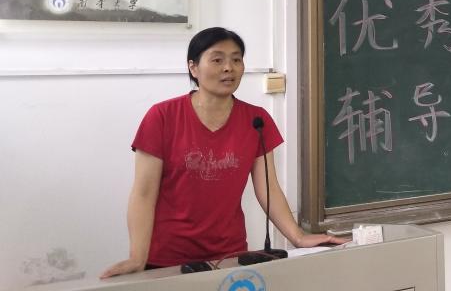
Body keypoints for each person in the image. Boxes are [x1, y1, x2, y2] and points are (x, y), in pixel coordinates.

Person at [101, 27, 345, 277]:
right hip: (167, 260)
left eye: (236, 60)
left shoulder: (256, 119)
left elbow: (268, 188)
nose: (229, 68)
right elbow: (143, 193)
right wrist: (137, 257)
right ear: (193, 67)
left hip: (230, 256)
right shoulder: (162, 116)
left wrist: (298, 237)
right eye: (217, 60)